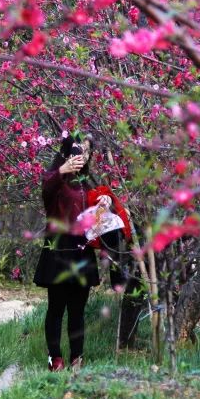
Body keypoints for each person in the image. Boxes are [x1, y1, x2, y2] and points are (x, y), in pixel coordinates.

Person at [33, 134, 99, 371]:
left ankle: (77, 358)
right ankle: (55, 358)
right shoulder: (55, 180)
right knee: (56, 308)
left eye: (87, 152)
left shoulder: (87, 184)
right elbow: (47, 186)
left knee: (77, 310)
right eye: (79, 150)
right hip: (59, 250)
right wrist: (62, 170)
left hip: (82, 250)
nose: (82, 156)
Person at [87, 186, 148, 350]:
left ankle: (126, 341)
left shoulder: (107, 195)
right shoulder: (94, 201)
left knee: (133, 287)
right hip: (115, 249)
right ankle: (125, 342)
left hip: (124, 246)